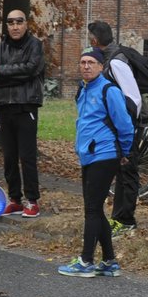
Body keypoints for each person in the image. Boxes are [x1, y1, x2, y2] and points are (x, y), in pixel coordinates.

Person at [58, 48, 133, 278]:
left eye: (91, 62)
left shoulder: (109, 90)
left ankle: (86, 260)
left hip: (105, 153)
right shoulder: (82, 89)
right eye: (83, 62)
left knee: (91, 209)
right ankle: (109, 261)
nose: (86, 66)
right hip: (88, 155)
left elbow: (125, 124)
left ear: (101, 66)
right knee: (95, 208)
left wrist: (125, 151)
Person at [0, 9, 46, 218]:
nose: (15, 26)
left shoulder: (35, 46)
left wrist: (3, 71)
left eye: (19, 22)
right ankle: (15, 199)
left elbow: (31, 70)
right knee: (9, 157)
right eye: (10, 22)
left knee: (27, 156)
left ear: (26, 24)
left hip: (26, 106)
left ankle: (32, 201)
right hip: (4, 107)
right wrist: (15, 75)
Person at [86, 20, 141, 234]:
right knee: (119, 170)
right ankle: (119, 217)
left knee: (127, 172)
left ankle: (125, 220)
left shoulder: (117, 62)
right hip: (115, 127)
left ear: (94, 40)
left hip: (126, 126)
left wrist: (128, 126)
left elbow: (133, 98)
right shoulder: (106, 59)